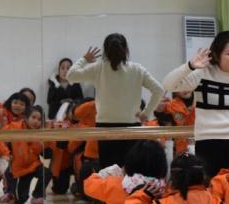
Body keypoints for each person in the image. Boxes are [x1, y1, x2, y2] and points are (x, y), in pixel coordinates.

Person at [162, 31, 229, 176]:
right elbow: (168, 84)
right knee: (211, 187)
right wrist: (190, 66)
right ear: (217, 54)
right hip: (206, 143)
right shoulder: (203, 73)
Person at [66, 34, 165, 168]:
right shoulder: (137, 69)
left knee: (109, 172)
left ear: (105, 51)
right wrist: (146, 113)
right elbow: (158, 90)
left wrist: (84, 59)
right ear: (126, 50)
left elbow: (70, 76)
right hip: (132, 127)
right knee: (130, 171)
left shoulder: (98, 68)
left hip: (105, 127)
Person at [84, 140, 168, 204]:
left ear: (131, 160)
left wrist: (112, 170)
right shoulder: (166, 190)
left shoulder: (114, 185)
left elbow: (89, 185)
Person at [5, 105, 51, 204]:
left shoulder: (42, 133)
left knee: (46, 172)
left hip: (34, 165)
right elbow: (0, 138)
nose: (36, 121)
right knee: (20, 200)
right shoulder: (14, 127)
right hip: (19, 169)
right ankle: (9, 193)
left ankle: (37, 196)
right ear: (26, 117)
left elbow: (47, 154)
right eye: (33, 117)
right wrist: (7, 153)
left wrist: (47, 140)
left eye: (39, 119)